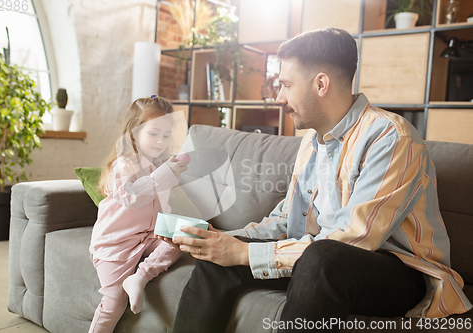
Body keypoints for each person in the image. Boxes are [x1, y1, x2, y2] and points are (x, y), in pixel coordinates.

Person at [166, 28, 472, 332]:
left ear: (320, 84)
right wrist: (219, 241)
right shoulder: (312, 143)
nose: (278, 97)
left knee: (318, 258)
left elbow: (356, 238)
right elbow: (286, 221)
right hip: (322, 259)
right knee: (220, 259)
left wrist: (246, 253)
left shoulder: (390, 137)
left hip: (400, 271)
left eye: (286, 84)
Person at [88, 96, 188, 333]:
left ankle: (140, 278)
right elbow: (131, 198)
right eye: (154, 133)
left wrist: (171, 226)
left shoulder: (157, 166)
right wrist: (164, 174)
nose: (160, 141)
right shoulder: (123, 165)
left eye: (166, 135)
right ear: (133, 132)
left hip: (147, 238)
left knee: (179, 237)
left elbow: (161, 206)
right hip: (116, 244)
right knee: (114, 302)